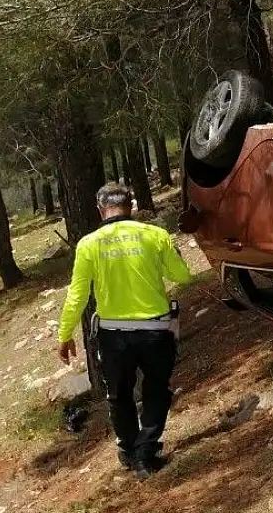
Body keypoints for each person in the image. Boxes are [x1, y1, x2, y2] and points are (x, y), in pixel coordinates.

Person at [56, 183, 193, 479]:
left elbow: (77, 295)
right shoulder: (155, 235)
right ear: (130, 206)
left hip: (113, 335)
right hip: (157, 330)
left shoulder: (89, 244)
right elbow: (182, 275)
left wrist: (65, 334)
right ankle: (146, 450)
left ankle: (131, 452)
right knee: (157, 389)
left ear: (99, 209)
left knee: (119, 395)